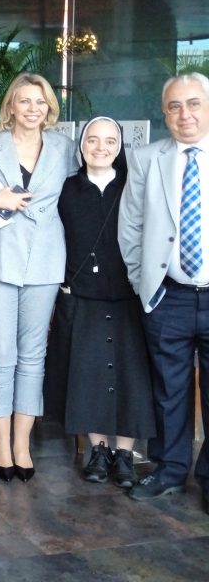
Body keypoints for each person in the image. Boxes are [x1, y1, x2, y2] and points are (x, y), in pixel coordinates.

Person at [0, 73, 76, 484]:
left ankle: (22, 443)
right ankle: (0, 442)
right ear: (10, 105)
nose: (33, 108)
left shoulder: (65, 148)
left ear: (49, 107)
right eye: (25, 101)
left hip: (46, 258)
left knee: (34, 355)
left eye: (40, 101)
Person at [45, 117, 154, 487]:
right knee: (87, 375)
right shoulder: (67, 188)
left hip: (129, 295)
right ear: (81, 145)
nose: (101, 147)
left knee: (130, 377)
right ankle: (99, 450)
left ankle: (124, 454)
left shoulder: (134, 186)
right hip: (82, 295)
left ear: (120, 147)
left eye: (110, 141)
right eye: (93, 140)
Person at [119, 72, 209, 509]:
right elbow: (131, 226)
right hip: (167, 295)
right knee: (169, 390)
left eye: (193, 104)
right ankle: (170, 469)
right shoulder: (146, 158)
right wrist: (144, 286)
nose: (183, 114)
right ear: (164, 113)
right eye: (174, 106)